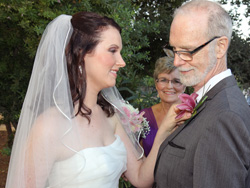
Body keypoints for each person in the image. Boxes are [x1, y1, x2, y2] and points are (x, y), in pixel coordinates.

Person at [5, 12, 190, 188]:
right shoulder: (49, 126)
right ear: (81, 54)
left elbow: (141, 178)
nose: (122, 61)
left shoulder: (111, 117)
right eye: (112, 50)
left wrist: (164, 130)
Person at [153, 0, 250, 188]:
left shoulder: (224, 117)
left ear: (220, 47)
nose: (177, 62)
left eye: (188, 51)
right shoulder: (212, 102)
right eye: (174, 50)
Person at [140, 56, 185, 157]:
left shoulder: (193, 115)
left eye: (176, 81)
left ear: (184, 85)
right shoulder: (143, 117)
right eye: (163, 80)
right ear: (156, 84)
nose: (169, 86)